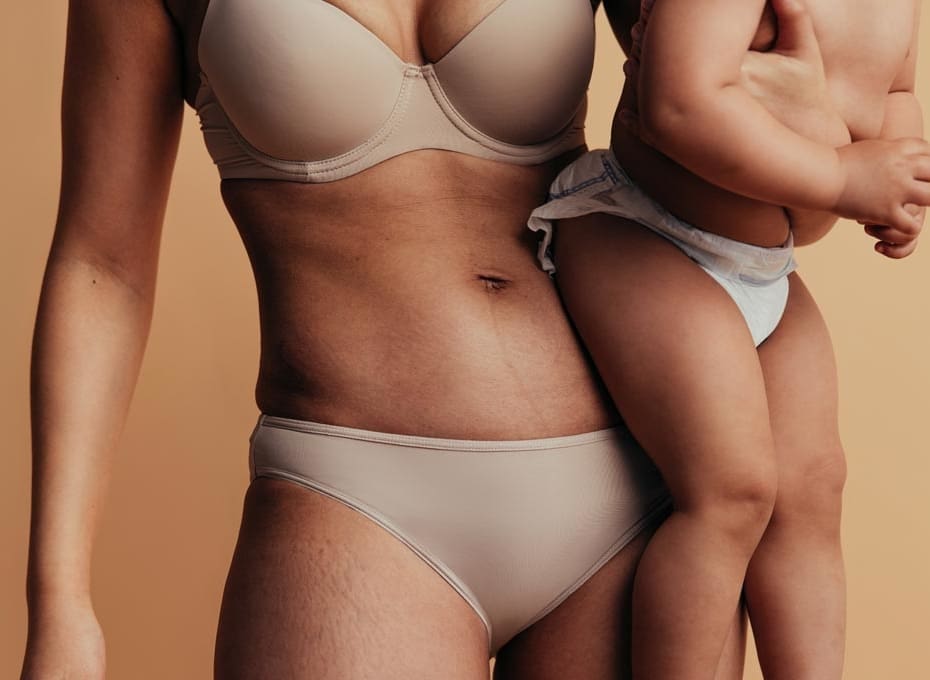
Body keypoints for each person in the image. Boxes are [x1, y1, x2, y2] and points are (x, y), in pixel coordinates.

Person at [20, 1, 839, 678]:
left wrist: (815, 130)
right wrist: (60, 602)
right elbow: (103, 265)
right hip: (357, 500)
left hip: (631, 491)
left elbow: (715, 120)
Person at [527, 0, 927, 679]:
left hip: (764, 263)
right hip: (643, 231)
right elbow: (680, 105)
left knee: (814, 488)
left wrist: (901, 180)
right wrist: (840, 178)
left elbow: (894, 92)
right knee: (731, 493)